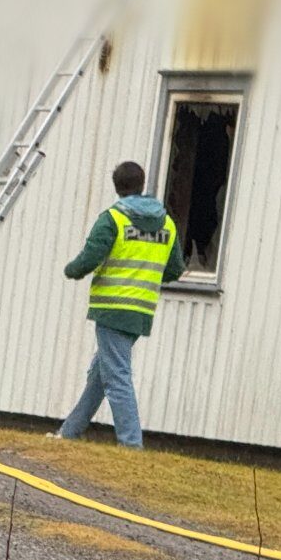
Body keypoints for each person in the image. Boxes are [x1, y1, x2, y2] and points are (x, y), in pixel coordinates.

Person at [52, 161, 185, 449]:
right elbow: (175, 268)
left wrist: (71, 270)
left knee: (117, 377)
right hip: (141, 311)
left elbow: (90, 257)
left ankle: (131, 444)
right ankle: (69, 432)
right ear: (142, 183)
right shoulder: (167, 223)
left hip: (112, 308)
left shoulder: (113, 218)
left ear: (117, 187)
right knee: (102, 373)